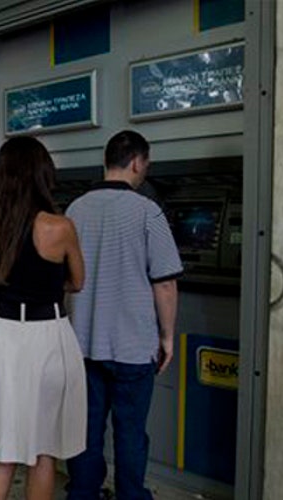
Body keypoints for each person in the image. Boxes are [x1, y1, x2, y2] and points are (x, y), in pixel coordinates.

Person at [0, 136, 86, 500]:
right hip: (47, 335)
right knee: (42, 448)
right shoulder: (59, 227)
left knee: (3, 448)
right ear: (42, 173)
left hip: (3, 337)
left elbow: (3, 269)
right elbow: (77, 281)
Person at [65, 131, 182, 500]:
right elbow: (164, 284)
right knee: (131, 432)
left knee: (85, 429)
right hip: (133, 348)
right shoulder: (148, 211)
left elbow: (66, 278)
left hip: (83, 344)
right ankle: (131, 496)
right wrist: (167, 337)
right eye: (146, 163)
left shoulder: (74, 209)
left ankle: (84, 493)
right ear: (136, 162)